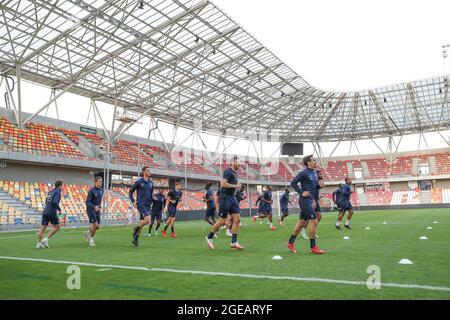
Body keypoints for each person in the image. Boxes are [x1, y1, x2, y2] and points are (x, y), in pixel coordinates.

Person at [286, 155, 326, 254]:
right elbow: (293, 183)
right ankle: (313, 247)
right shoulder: (304, 173)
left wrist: (319, 186)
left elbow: (313, 187)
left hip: (310, 200)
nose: (315, 161)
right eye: (313, 160)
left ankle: (290, 243)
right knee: (314, 221)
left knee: (301, 223)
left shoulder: (314, 173)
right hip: (304, 201)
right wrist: (301, 192)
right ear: (308, 162)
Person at [205, 156, 244, 250]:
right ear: (232, 162)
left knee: (237, 219)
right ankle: (209, 236)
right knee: (222, 221)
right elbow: (223, 184)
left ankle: (234, 242)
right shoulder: (228, 171)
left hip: (232, 198)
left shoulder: (235, 173)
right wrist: (235, 185)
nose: (240, 164)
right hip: (225, 197)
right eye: (238, 162)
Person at [129, 166, 154, 247]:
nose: (149, 171)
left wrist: (152, 200)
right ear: (144, 172)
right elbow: (130, 192)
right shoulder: (139, 182)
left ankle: (135, 239)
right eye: (148, 170)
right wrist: (133, 201)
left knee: (142, 223)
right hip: (141, 204)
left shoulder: (151, 183)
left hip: (148, 205)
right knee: (147, 220)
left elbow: (150, 194)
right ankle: (135, 228)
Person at [36, 180, 63, 249]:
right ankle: (45, 240)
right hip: (52, 212)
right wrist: (59, 210)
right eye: (62, 185)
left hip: (45, 211)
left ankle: (39, 243)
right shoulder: (58, 192)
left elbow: (46, 201)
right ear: (60, 186)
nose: (62, 187)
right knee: (57, 227)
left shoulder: (50, 192)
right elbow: (55, 202)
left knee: (42, 229)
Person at [84, 176, 103, 246]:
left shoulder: (102, 190)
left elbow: (99, 200)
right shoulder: (91, 191)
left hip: (97, 210)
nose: (101, 182)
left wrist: (99, 207)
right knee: (95, 225)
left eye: (101, 181)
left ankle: (87, 233)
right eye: (99, 181)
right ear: (95, 182)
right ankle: (91, 239)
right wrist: (94, 206)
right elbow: (87, 202)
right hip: (91, 209)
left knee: (97, 227)